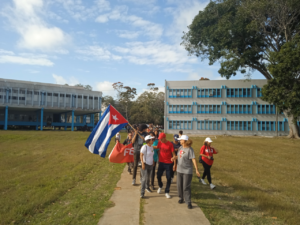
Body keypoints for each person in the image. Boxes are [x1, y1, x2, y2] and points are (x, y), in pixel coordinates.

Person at [171, 135, 200, 209]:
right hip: (179, 170)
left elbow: (193, 159)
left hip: (187, 171)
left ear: (185, 141)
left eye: (181, 140)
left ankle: (188, 202)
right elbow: (179, 156)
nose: (179, 141)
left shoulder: (190, 150)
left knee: (186, 187)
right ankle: (181, 198)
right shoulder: (180, 148)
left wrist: (196, 169)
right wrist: (174, 157)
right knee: (179, 185)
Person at [154, 132, 176, 199]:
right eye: (159, 139)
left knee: (168, 177)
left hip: (169, 163)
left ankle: (167, 192)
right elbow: (157, 147)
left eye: (161, 139)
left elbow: (174, 155)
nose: (160, 140)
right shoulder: (160, 142)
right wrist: (149, 145)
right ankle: (160, 186)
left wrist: (175, 164)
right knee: (158, 176)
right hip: (161, 162)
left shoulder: (170, 144)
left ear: (164, 138)